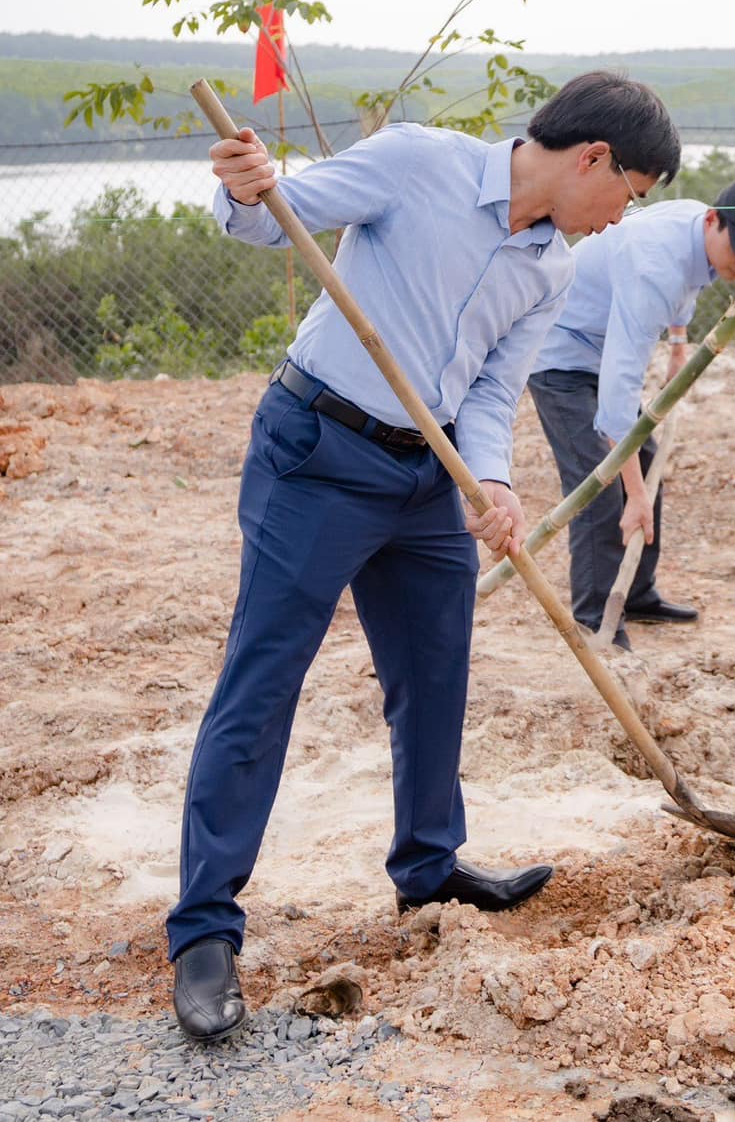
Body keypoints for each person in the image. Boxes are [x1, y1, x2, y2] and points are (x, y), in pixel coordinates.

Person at [167, 72, 682, 1042]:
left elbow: (488, 393)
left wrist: (490, 482)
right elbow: (278, 218)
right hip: (318, 451)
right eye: (632, 192)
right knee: (264, 679)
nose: (624, 217)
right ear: (592, 160)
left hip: (427, 479)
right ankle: (203, 929)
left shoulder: (551, 267)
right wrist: (245, 183)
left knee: (435, 673)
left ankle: (429, 867)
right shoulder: (418, 163)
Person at [528, 175, 735, 649]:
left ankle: (638, 593)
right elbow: (617, 397)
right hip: (561, 356)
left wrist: (676, 345)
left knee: (646, 463)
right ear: (714, 220)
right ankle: (594, 622)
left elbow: (687, 286)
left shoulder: (695, 232)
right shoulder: (654, 264)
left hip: (602, 346)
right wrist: (634, 497)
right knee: (599, 484)